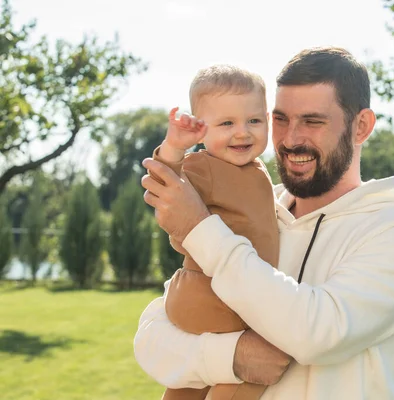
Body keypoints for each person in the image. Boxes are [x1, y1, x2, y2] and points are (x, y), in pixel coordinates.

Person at [136, 46, 394, 400]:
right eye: (280, 119)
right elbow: (152, 337)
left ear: (361, 126)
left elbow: (317, 333)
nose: (291, 139)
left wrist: (199, 228)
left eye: (312, 121)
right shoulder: (249, 204)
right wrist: (231, 358)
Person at [147, 65, 281, 400]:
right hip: (213, 295)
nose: (242, 133)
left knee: (190, 384)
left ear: (267, 119)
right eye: (226, 124)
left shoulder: (254, 168)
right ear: (201, 131)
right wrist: (176, 147)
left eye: (253, 121)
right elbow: (169, 184)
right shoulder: (205, 165)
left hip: (212, 294)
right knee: (254, 367)